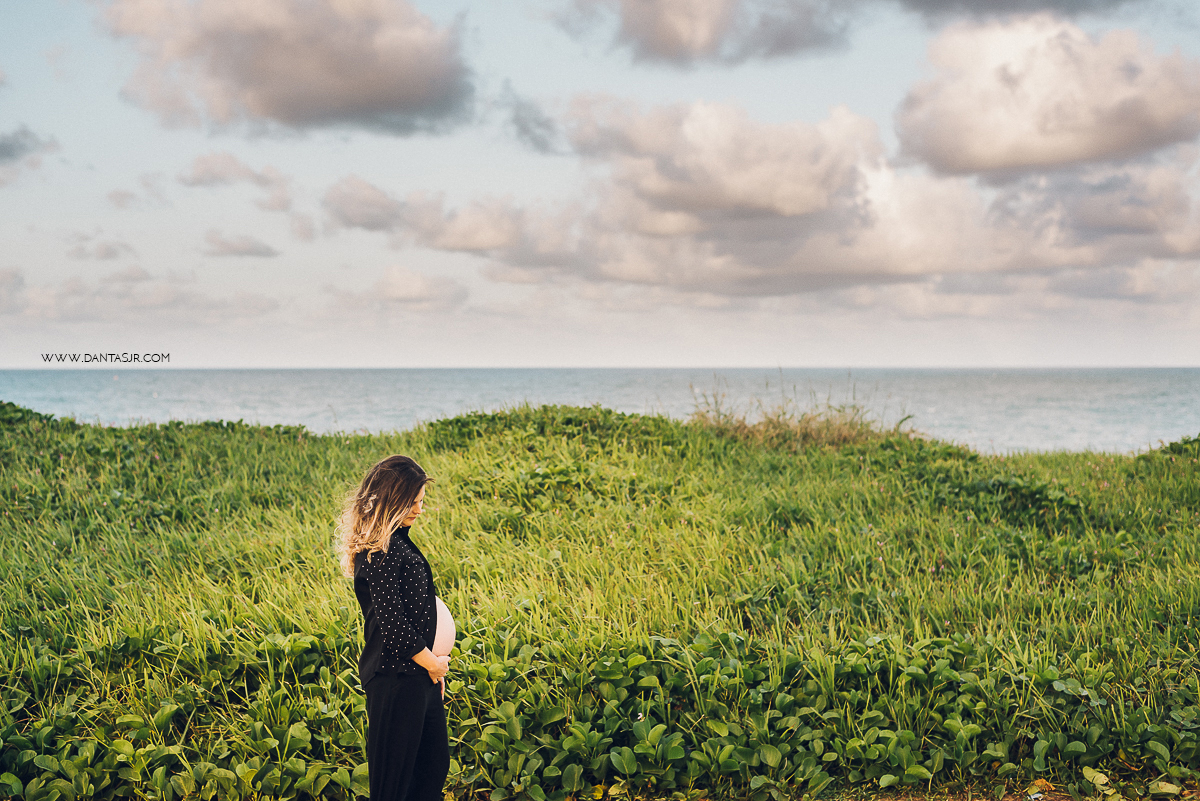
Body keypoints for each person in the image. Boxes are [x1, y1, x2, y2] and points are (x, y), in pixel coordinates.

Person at [337, 455, 450, 801]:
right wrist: (432, 663)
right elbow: (394, 626)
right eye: (413, 503)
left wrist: (432, 670)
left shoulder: (397, 543)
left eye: (420, 503)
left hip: (418, 676)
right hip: (396, 679)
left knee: (433, 766)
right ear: (392, 502)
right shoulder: (380, 552)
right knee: (392, 786)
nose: (419, 510)